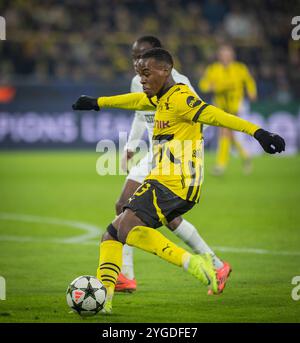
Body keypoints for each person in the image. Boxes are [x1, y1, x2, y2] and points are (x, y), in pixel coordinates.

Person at [72, 48, 285, 313]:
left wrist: (259, 132)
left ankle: (195, 264)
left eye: (147, 74)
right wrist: (97, 102)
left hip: (174, 183)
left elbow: (217, 115)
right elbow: (134, 101)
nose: (142, 80)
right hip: (168, 183)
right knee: (112, 236)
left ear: (166, 70)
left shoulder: (182, 98)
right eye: (140, 74)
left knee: (126, 227)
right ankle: (105, 301)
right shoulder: (159, 99)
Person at [115, 36, 229, 293]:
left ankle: (214, 264)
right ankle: (127, 276)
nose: (137, 63)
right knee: (125, 205)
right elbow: (139, 113)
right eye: (134, 57)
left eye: (141, 56)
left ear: (157, 58)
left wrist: (187, 153)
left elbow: (202, 115)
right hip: (153, 154)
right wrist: (131, 146)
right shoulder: (138, 80)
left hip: (175, 157)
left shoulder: (180, 83)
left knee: (163, 215)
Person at [199, 44, 257, 175]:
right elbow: (203, 84)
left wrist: (252, 92)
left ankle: (221, 165)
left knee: (225, 133)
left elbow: (249, 81)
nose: (225, 57)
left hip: (236, 106)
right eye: (223, 55)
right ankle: (245, 156)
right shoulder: (213, 69)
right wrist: (209, 87)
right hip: (220, 106)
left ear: (232, 56)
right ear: (219, 56)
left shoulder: (239, 68)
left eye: (228, 54)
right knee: (228, 134)